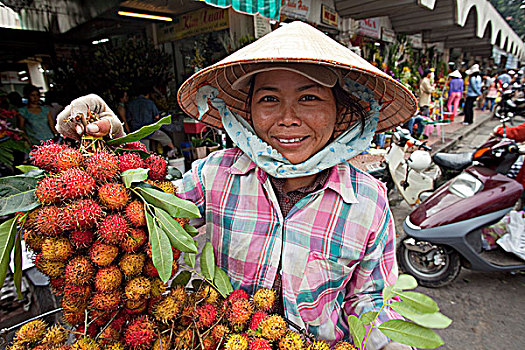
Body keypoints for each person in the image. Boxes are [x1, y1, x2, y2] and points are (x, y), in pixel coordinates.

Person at [57, 22, 417, 350]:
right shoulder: (211, 177)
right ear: (247, 112)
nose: (288, 118)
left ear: (340, 111)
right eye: (269, 99)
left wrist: (389, 342)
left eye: (310, 98)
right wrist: (117, 149)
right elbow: (145, 220)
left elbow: (369, 299)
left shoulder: (368, 201)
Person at [126, 86, 177, 157]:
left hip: (137, 132)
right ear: (147, 95)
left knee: (145, 150)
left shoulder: (131, 104)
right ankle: (174, 153)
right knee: (166, 139)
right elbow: (157, 116)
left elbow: (128, 119)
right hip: (150, 130)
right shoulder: (149, 103)